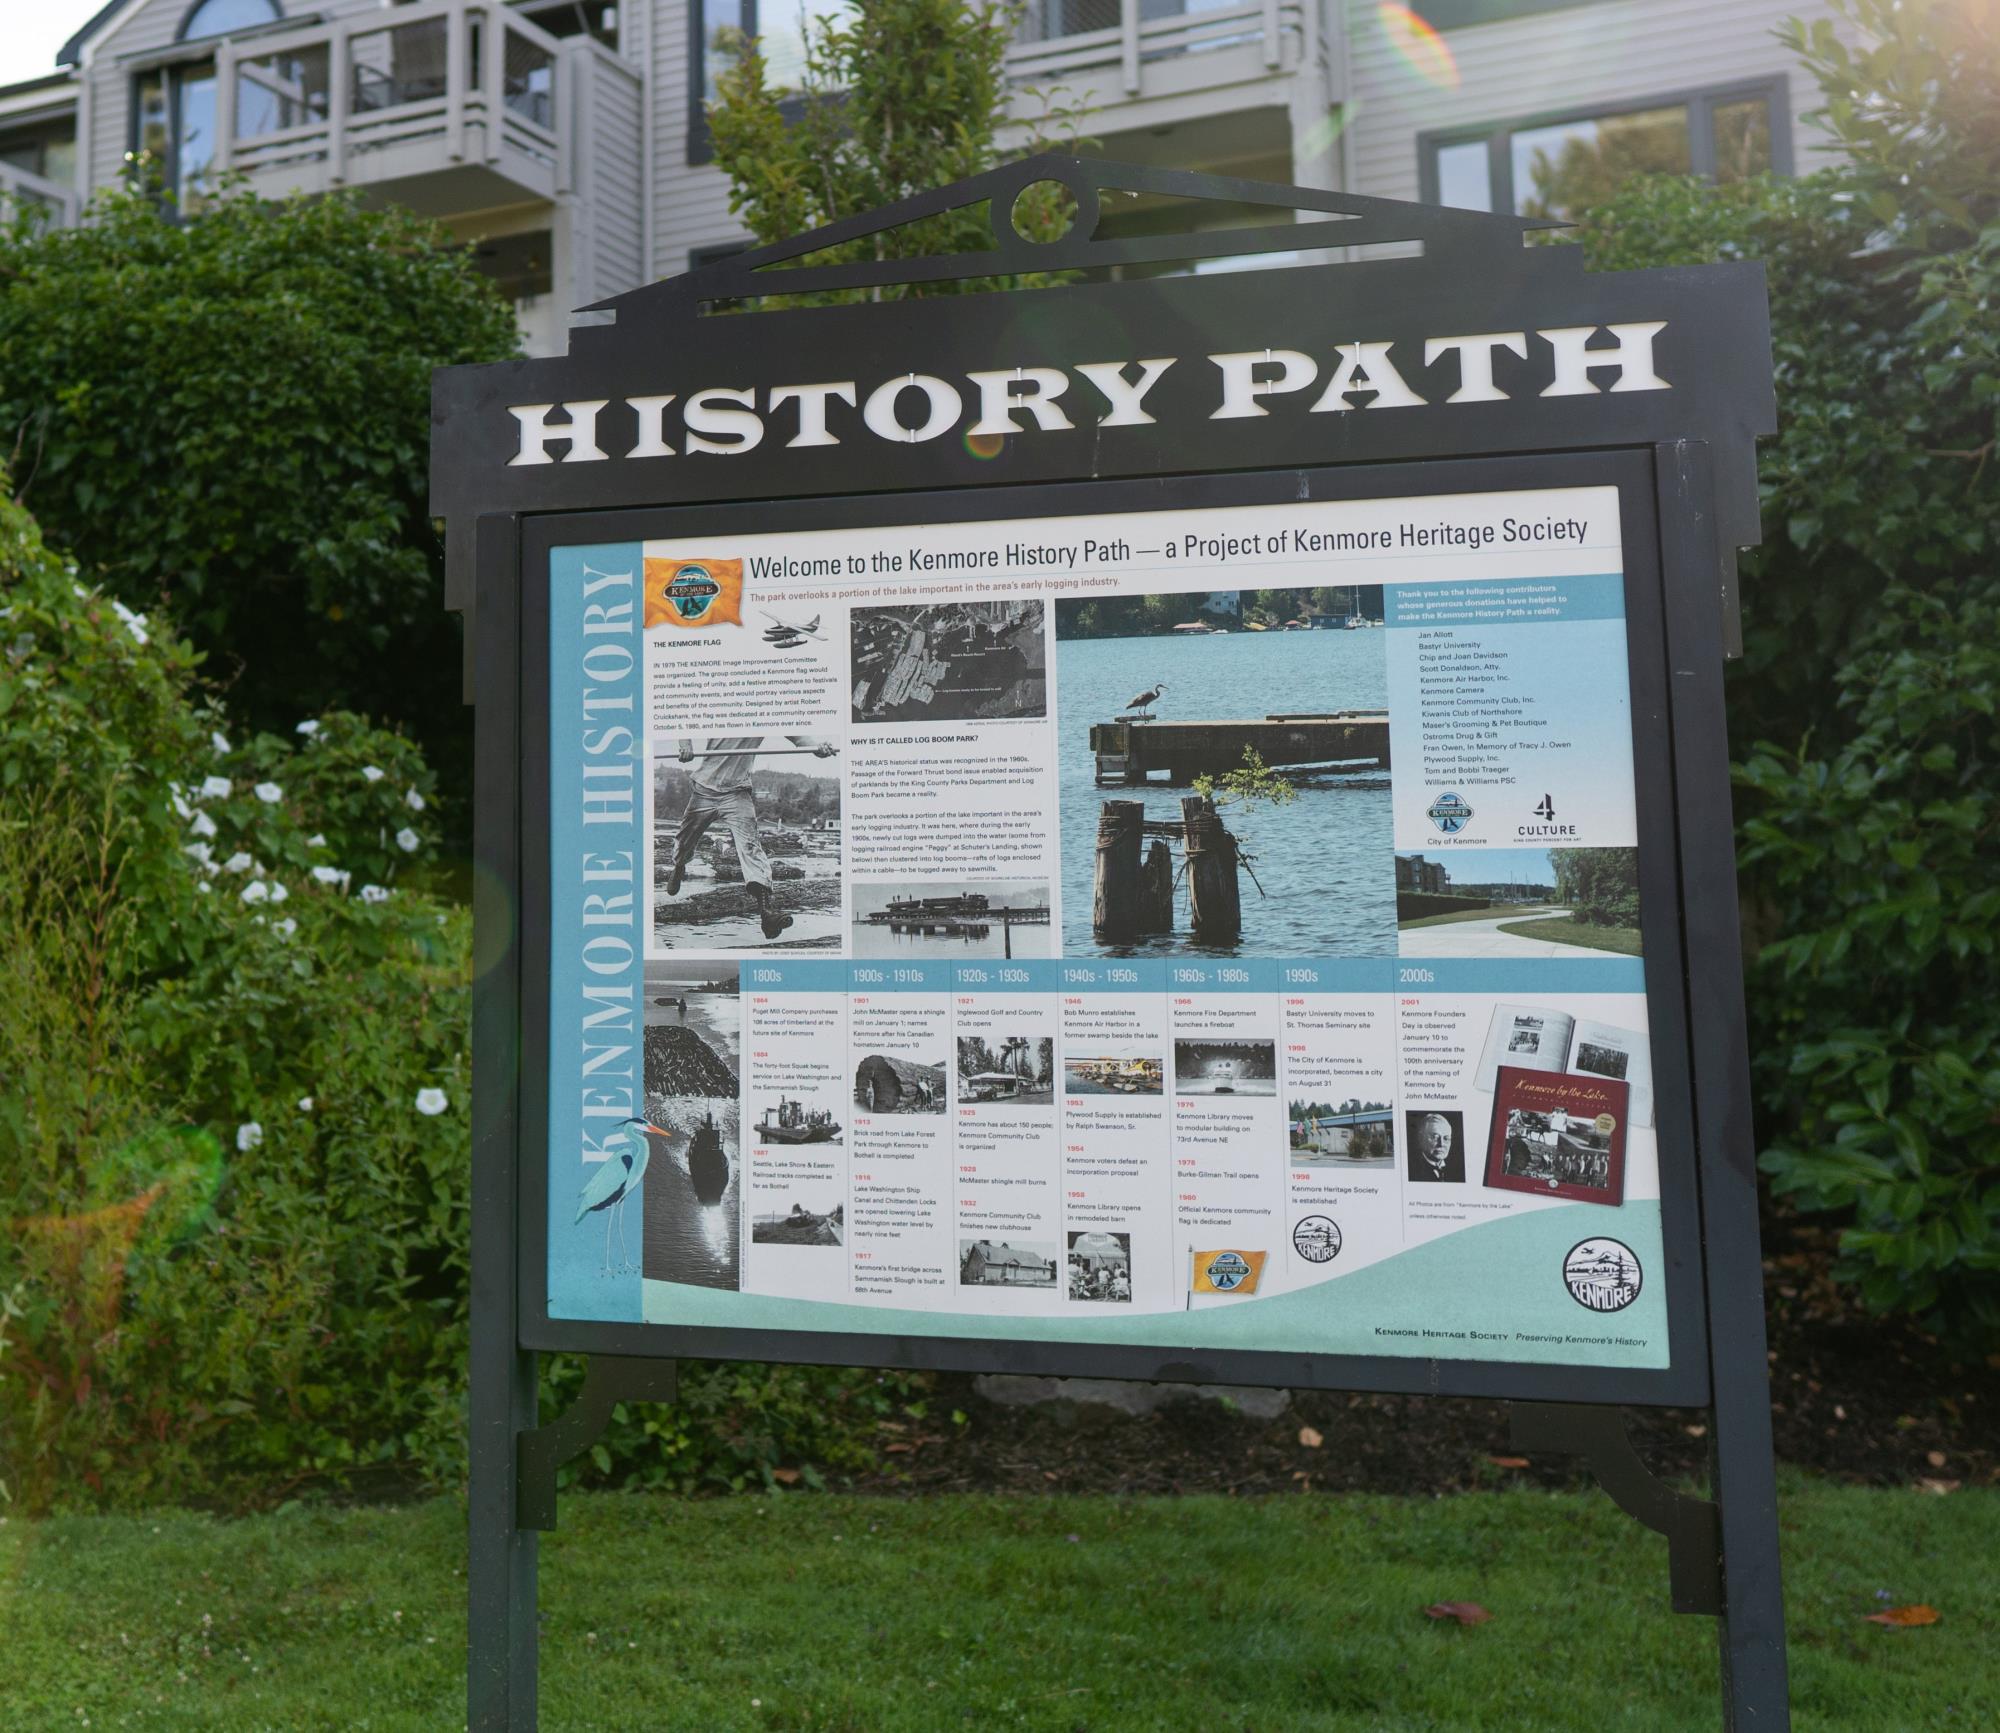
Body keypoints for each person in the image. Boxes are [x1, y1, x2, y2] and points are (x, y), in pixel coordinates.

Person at [662, 734, 837, 939]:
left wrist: (818, 746)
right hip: (704, 792)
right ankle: (679, 866)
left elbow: (798, 738)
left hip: (737, 793)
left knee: (751, 848)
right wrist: (685, 744)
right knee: (685, 841)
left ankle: (767, 913)